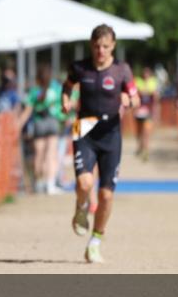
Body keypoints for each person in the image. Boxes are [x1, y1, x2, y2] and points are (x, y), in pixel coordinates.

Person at [61, 25, 139, 264]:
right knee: (85, 182)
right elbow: (68, 85)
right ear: (91, 45)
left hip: (111, 134)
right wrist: (66, 100)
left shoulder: (121, 70)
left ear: (113, 46)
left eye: (105, 46)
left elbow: (135, 97)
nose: (100, 51)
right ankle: (81, 205)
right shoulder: (80, 67)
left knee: (106, 195)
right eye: (96, 46)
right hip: (83, 129)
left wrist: (129, 99)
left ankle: (95, 241)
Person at [18, 64, 63, 194]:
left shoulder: (34, 91)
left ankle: (38, 182)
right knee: (51, 154)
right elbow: (62, 107)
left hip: (39, 124)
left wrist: (18, 125)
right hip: (52, 122)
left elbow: (27, 111)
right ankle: (50, 184)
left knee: (39, 154)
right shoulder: (56, 88)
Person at [134, 66, 159, 161]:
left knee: (146, 132)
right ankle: (140, 146)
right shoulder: (138, 81)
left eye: (147, 73)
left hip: (148, 111)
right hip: (139, 111)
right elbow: (136, 93)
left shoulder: (153, 82)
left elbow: (155, 96)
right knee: (139, 132)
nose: (146, 75)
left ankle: (146, 151)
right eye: (144, 73)